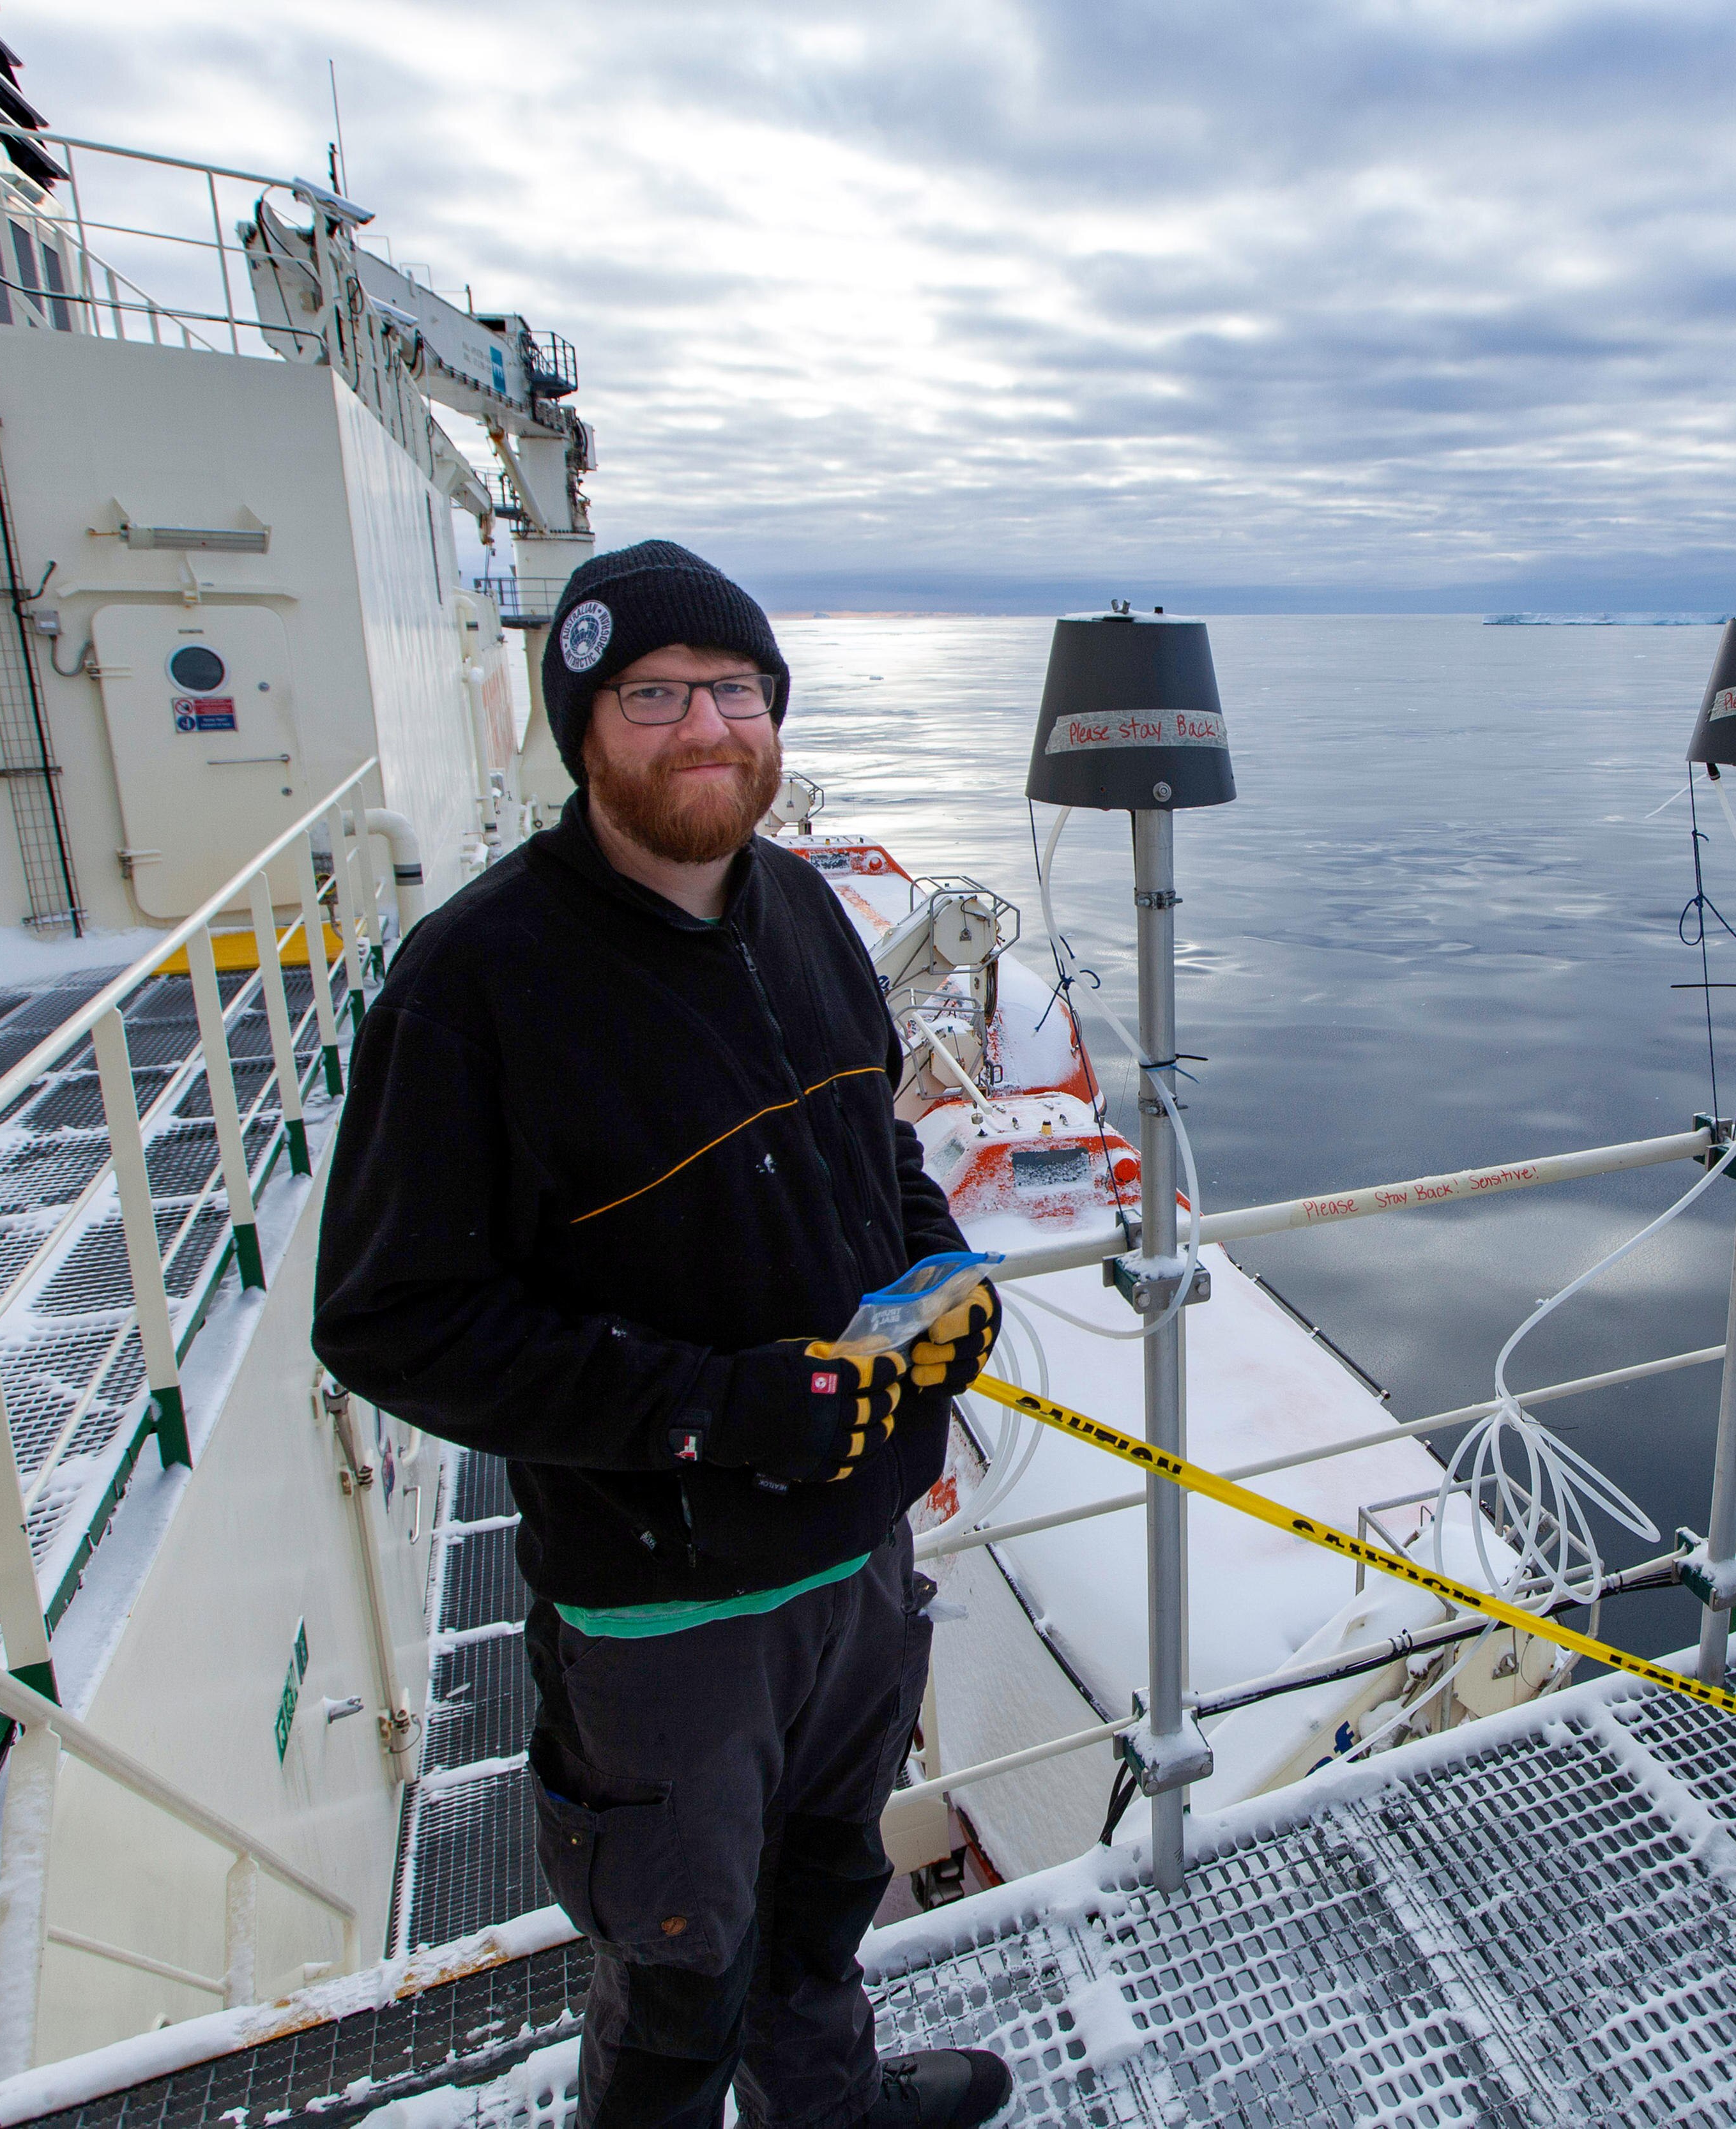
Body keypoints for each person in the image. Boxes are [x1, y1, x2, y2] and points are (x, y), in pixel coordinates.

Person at [314, 542, 1013, 2129]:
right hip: (665, 1611)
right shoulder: (476, 982)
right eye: (653, 694)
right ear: (581, 726)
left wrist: (944, 1274)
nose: (705, 724)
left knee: (828, 1893)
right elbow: (390, 1319)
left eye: (735, 688)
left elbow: (879, 1150)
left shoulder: (803, 911)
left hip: (861, 1554)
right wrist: (716, 1407)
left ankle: (825, 2106)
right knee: (678, 1961)